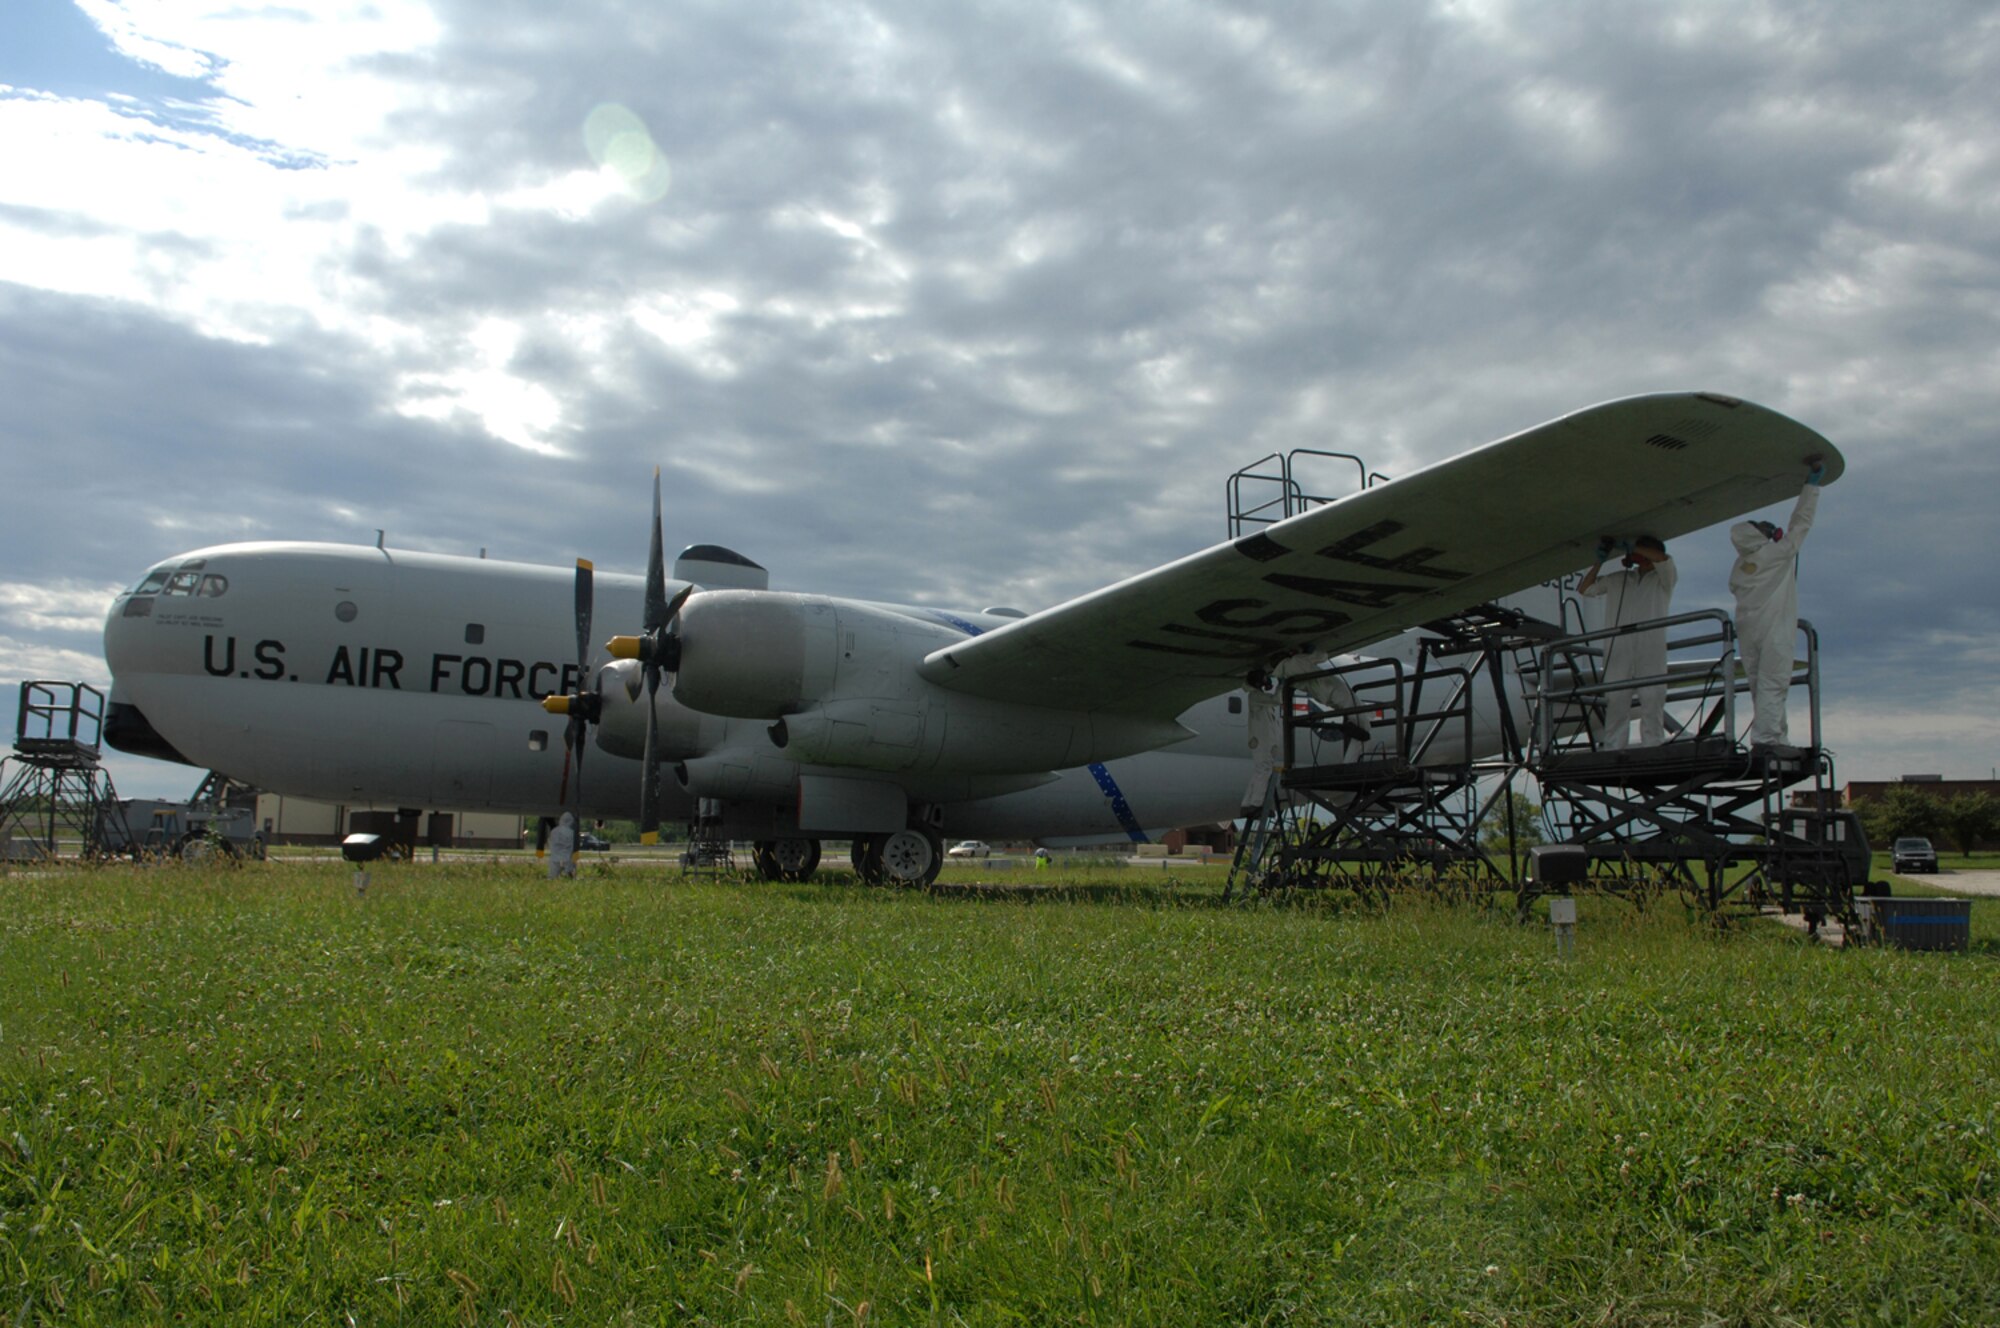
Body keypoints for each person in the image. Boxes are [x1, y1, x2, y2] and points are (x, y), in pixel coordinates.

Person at [1729, 460, 1823, 750]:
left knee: (1761, 686)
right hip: (1773, 628)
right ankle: (1768, 738)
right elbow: (1801, 523)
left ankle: (1775, 734)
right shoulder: (1776, 554)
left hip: (1748, 629)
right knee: (1775, 682)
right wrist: (1811, 486)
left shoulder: (1740, 565)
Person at [1578, 534, 1677, 749]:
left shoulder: (1663, 579)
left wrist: (1636, 548)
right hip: (1619, 644)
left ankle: (1653, 742)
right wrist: (1599, 562)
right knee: (1616, 697)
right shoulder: (1619, 579)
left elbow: (1662, 559)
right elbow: (1585, 589)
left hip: (1650, 643)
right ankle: (1614, 745)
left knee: (1652, 695)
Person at [547, 811, 578, 879]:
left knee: (552, 877)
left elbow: (550, 842)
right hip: (567, 859)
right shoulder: (571, 832)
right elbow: (573, 846)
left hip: (554, 858)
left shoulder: (554, 831)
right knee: (570, 877)